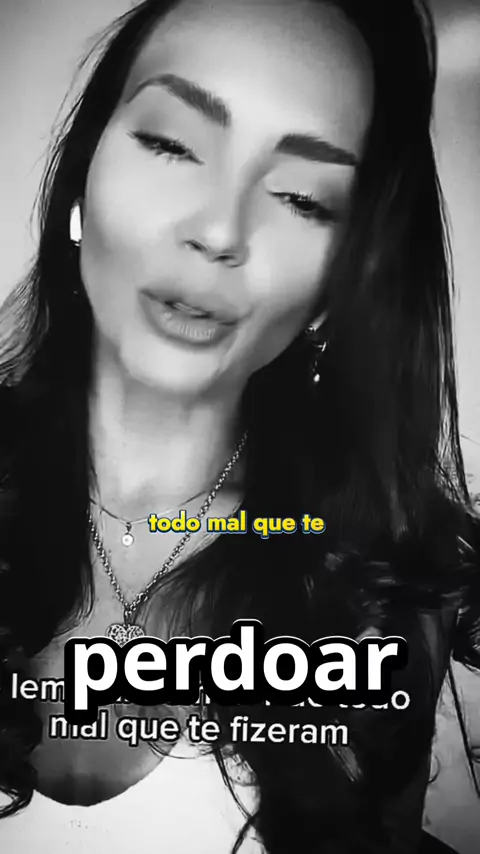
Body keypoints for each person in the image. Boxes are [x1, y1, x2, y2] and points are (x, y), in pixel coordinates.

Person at [0, 0, 478, 852]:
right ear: (80, 180)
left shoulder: (377, 598)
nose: (221, 232)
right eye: (170, 144)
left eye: (301, 198)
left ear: (341, 281)